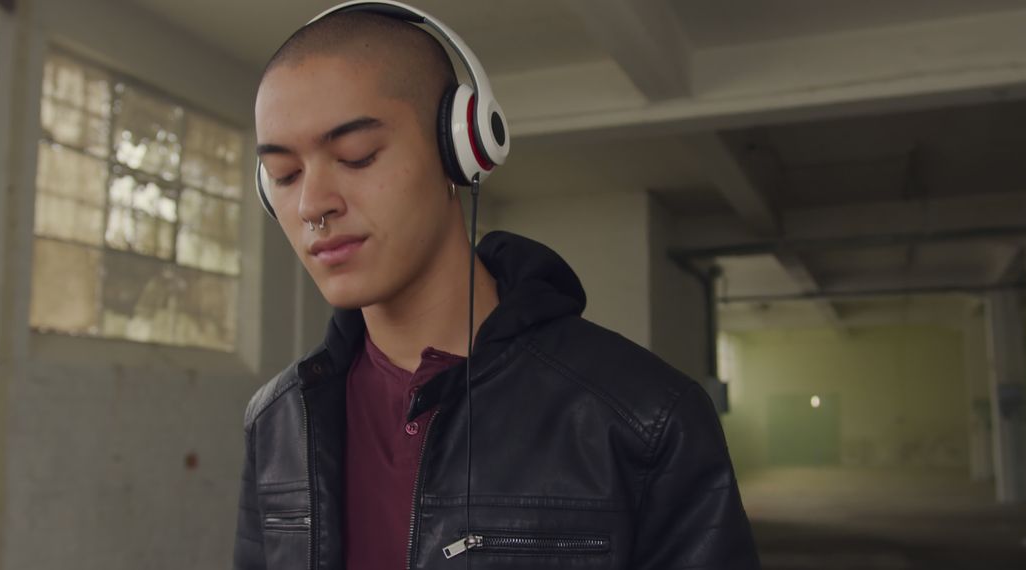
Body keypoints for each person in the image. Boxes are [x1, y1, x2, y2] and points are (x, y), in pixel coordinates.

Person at [234, 2, 759, 569]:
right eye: (284, 175)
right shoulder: (277, 420)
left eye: (356, 156)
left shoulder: (647, 419)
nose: (312, 204)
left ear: (462, 149)